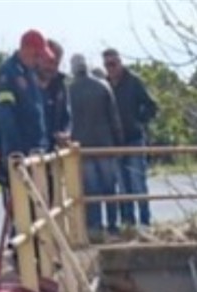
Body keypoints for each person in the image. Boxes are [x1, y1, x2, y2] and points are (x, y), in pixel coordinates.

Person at [67, 53, 125, 240]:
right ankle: (113, 227)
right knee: (109, 188)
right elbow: (114, 118)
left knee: (91, 190)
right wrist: (119, 143)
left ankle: (95, 228)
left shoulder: (69, 90)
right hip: (105, 145)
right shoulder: (103, 86)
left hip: (82, 147)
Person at [101, 48, 158, 226]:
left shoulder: (134, 81)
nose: (111, 68)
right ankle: (128, 224)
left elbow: (152, 106)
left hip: (134, 139)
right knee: (123, 186)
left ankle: (145, 222)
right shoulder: (105, 84)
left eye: (113, 63)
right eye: (107, 65)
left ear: (120, 62)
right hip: (115, 142)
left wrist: (138, 120)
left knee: (137, 183)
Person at [0, 29, 53, 182]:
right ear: (27, 50)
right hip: (20, 155)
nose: (38, 60)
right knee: (23, 203)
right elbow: (4, 116)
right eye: (37, 55)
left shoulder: (29, 72)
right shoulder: (8, 74)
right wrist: (14, 153)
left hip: (36, 152)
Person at [37, 39, 71, 150]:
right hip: (29, 151)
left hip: (54, 152)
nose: (51, 67)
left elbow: (67, 117)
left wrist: (66, 133)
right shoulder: (23, 83)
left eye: (56, 63)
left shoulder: (60, 85)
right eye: (49, 61)